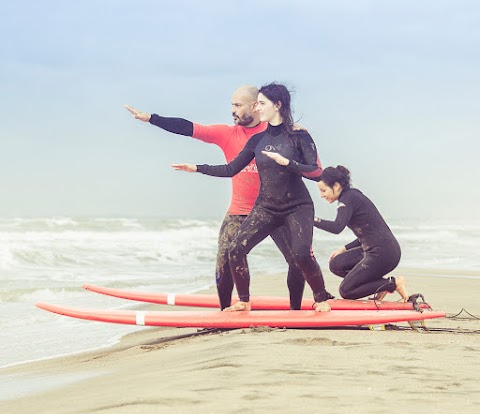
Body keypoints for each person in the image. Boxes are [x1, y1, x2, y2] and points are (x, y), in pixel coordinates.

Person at [124, 85, 308, 310]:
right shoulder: (227, 134)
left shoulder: (277, 133)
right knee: (224, 261)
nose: (232, 110)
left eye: (237, 105)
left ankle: (299, 309)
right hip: (240, 210)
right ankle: (226, 311)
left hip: (277, 209)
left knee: (298, 261)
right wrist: (152, 118)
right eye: (231, 104)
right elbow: (190, 128)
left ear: (254, 106)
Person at [172, 82, 332, 312]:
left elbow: (316, 173)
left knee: (299, 255)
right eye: (256, 103)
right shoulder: (257, 141)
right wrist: (196, 168)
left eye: (262, 103)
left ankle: (315, 301)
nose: (257, 108)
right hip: (267, 207)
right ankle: (244, 302)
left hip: (297, 206)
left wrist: (289, 163)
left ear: (277, 105)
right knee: (235, 249)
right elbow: (231, 169)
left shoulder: (299, 136)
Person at [314, 165, 409, 302]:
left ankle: (393, 284)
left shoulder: (349, 199)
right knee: (336, 264)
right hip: (378, 250)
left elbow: (337, 227)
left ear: (336, 186)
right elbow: (366, 234)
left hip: (384, 254)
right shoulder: (351, 196)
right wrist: (344, 249)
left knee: (346, 291)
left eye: (323, 190)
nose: (321, 195)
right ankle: (380, 286)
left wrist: (313, 220)